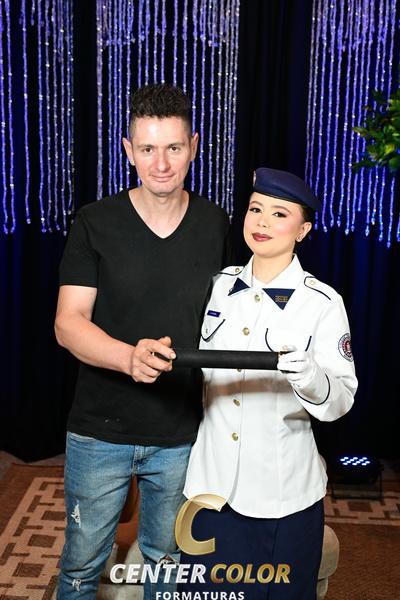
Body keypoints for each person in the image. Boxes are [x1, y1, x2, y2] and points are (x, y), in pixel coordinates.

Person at [54, 83, 232, 599]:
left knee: (166, 565)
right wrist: (128, 357)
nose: (161, 164)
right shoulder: (95, 221)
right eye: (148, 148)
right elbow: (68, 322)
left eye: (174, 147)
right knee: (82, 566)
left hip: (180, 433)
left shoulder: (215, 223)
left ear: (193, 147)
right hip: (100, 431)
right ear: (128, 150)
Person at [179, 167, 358, 599]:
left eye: (279, 214)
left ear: (303, 230)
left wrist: (309, 377)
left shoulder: (322, 303)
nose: (262, 222)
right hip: (210, 488)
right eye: (255, 209)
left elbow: (341, 400)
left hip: (283, 496)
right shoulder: (217, 287)